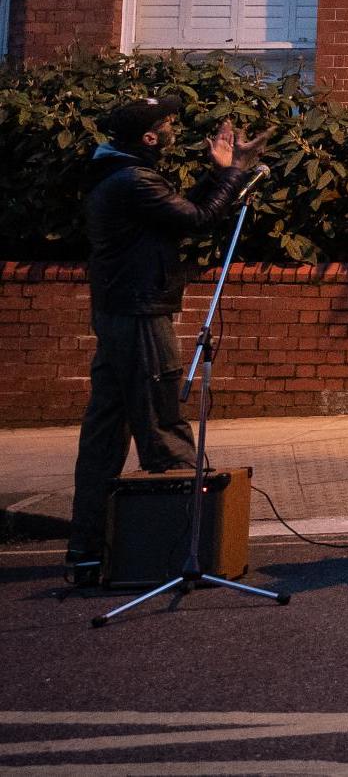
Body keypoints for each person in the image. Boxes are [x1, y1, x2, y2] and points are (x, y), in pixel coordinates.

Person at [64, 98, 268, 587]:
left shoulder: (121, 174)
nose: (175, 127)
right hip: (138, 313)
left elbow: (181, 213)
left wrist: (220, 174)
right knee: (162, 422)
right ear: (149, 138)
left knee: (105, 433)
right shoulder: (134, 181)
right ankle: (183, 551)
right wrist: (234, 173)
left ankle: (88, 552)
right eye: (168, 123)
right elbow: (199, 221)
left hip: (118, 310)